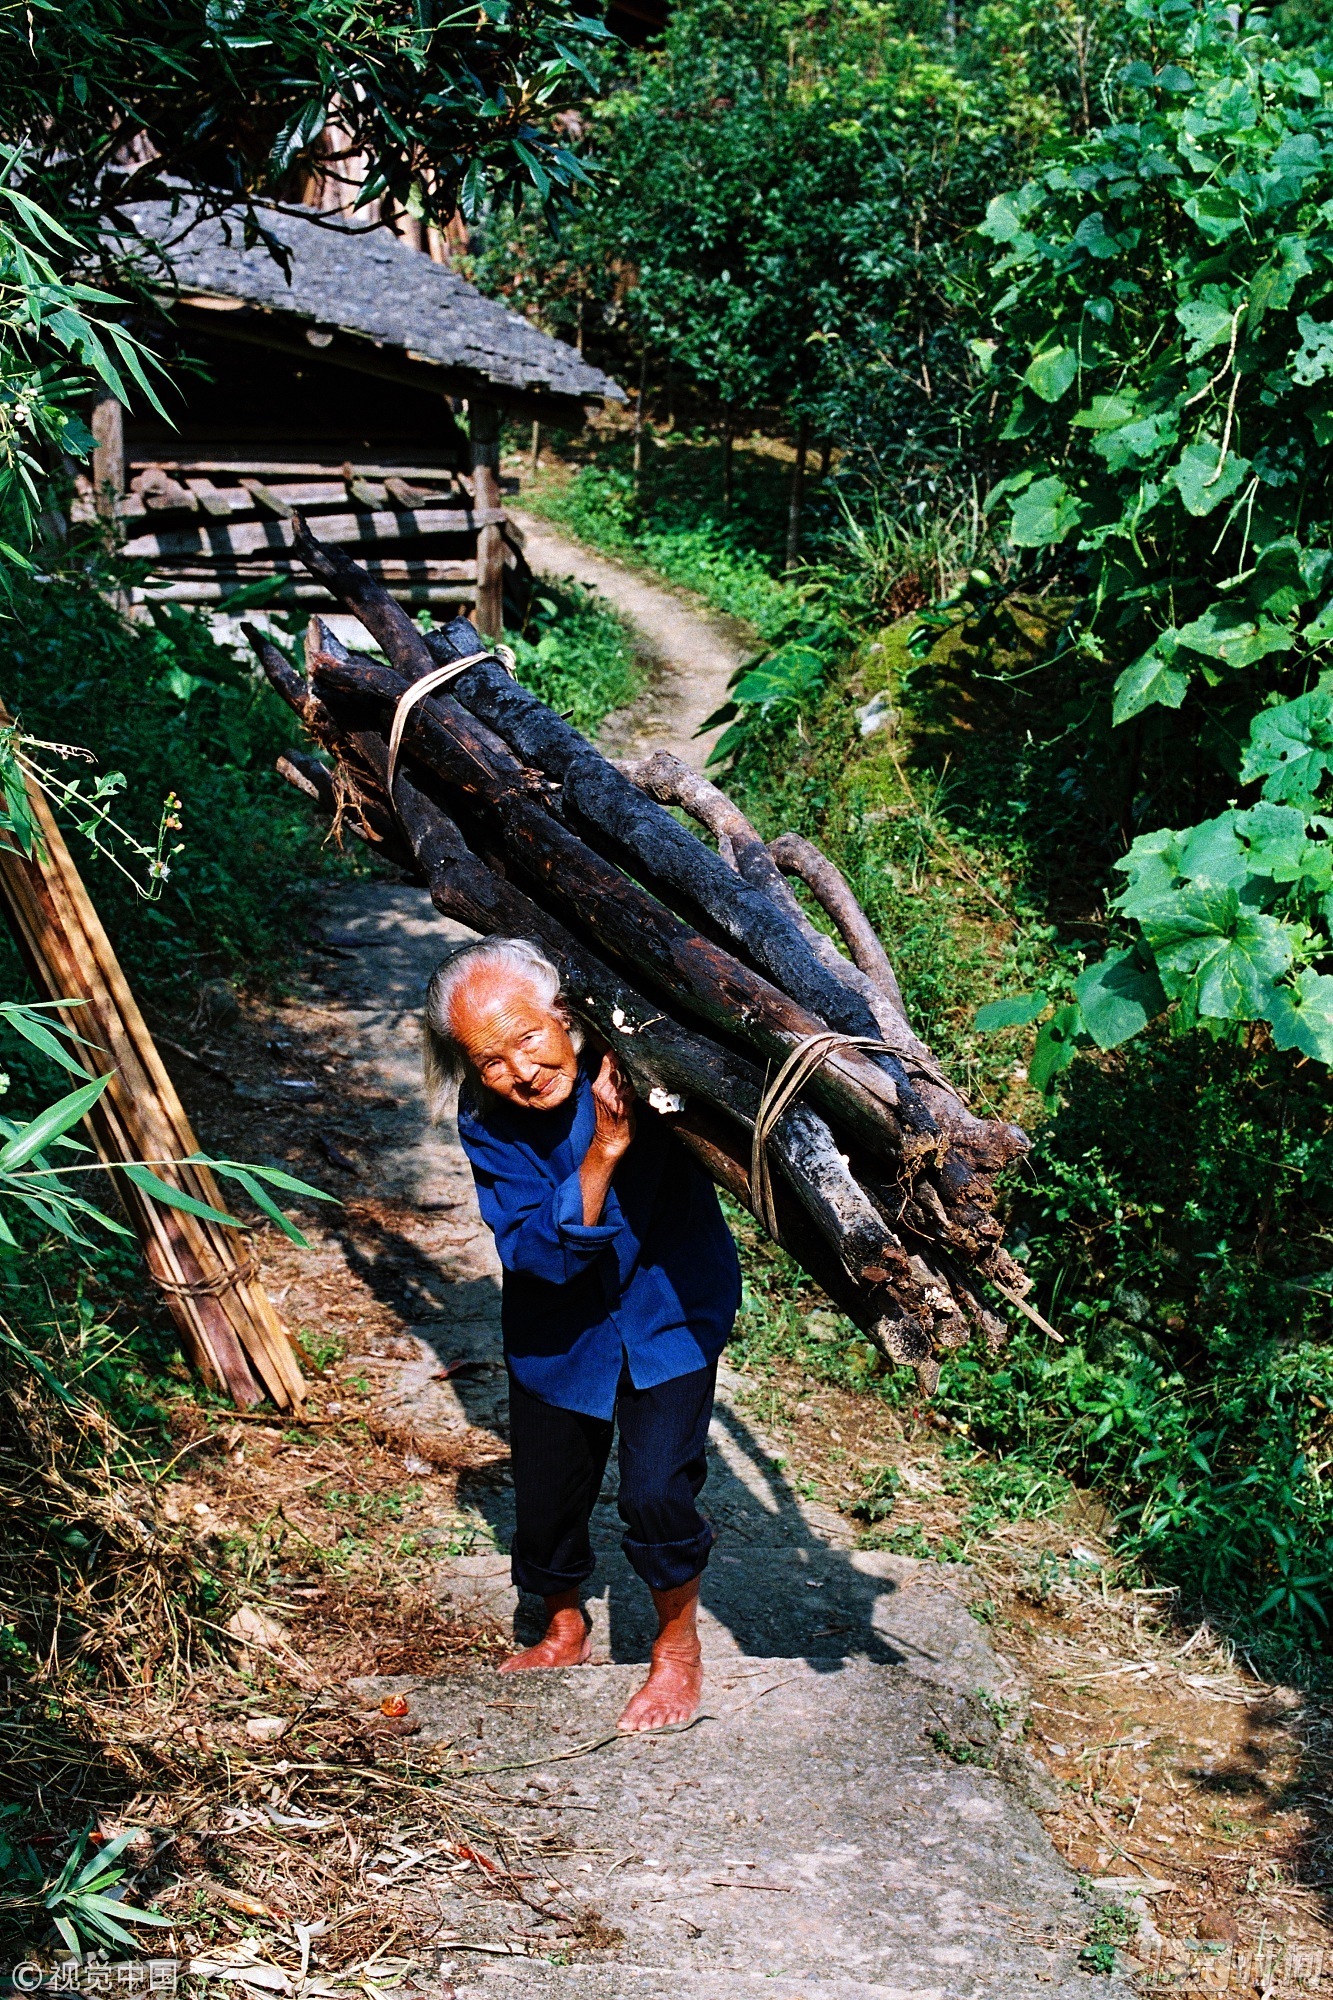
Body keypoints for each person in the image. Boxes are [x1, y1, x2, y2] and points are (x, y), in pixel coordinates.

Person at [422, 936, 740, 1731]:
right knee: (546, 1492)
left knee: (658, 1487)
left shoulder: (642, 1058)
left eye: (527, 1038)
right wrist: (602, 1152)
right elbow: (531, 1249)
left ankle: (675, 1650)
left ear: (563, 1015)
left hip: (669, 1302)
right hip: (558, 1324)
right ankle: (563, 1623)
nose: (520, 1072)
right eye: (490, 1059)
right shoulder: (488, 1119)